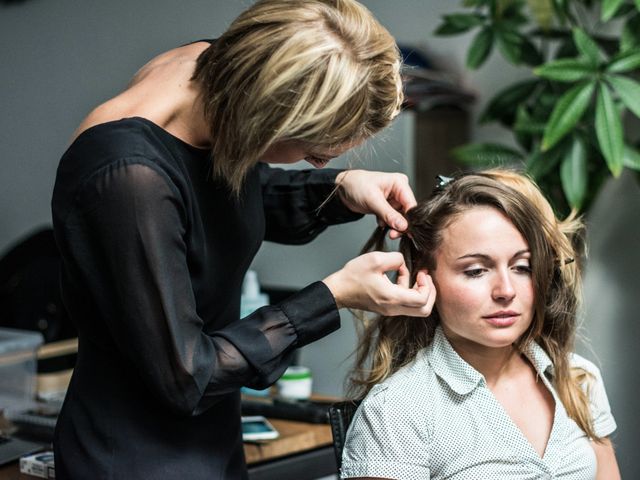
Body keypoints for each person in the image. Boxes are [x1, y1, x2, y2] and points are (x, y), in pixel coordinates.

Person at [50, 1, 437, 479]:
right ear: (265, 114)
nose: (316, 162)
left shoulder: (220, 72)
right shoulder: (125, 178)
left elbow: (214, 204)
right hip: (135, 460)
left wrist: (340, 189)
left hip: (214, 440)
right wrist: (333, 296)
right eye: (312, 150)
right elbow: (187, 377)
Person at [341, 170, 621, 479]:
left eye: (522, 267)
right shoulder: (398, 411)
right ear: (425, 275)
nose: (506, 290)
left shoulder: (578, 380)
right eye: (476, 270)